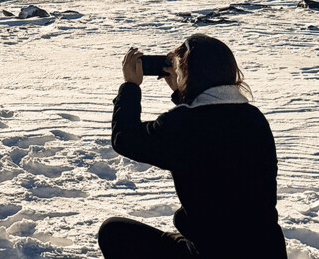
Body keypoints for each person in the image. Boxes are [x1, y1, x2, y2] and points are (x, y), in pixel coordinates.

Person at [98, 34, 286, 258]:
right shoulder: (254, 118)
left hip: (210, 252)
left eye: (178, 69)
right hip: (267, 251)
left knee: (113, 232)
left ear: (190, 73)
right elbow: (207, 129)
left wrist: (130, 86)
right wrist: (182, 92)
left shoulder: (183, 125)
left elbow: (126, 139)